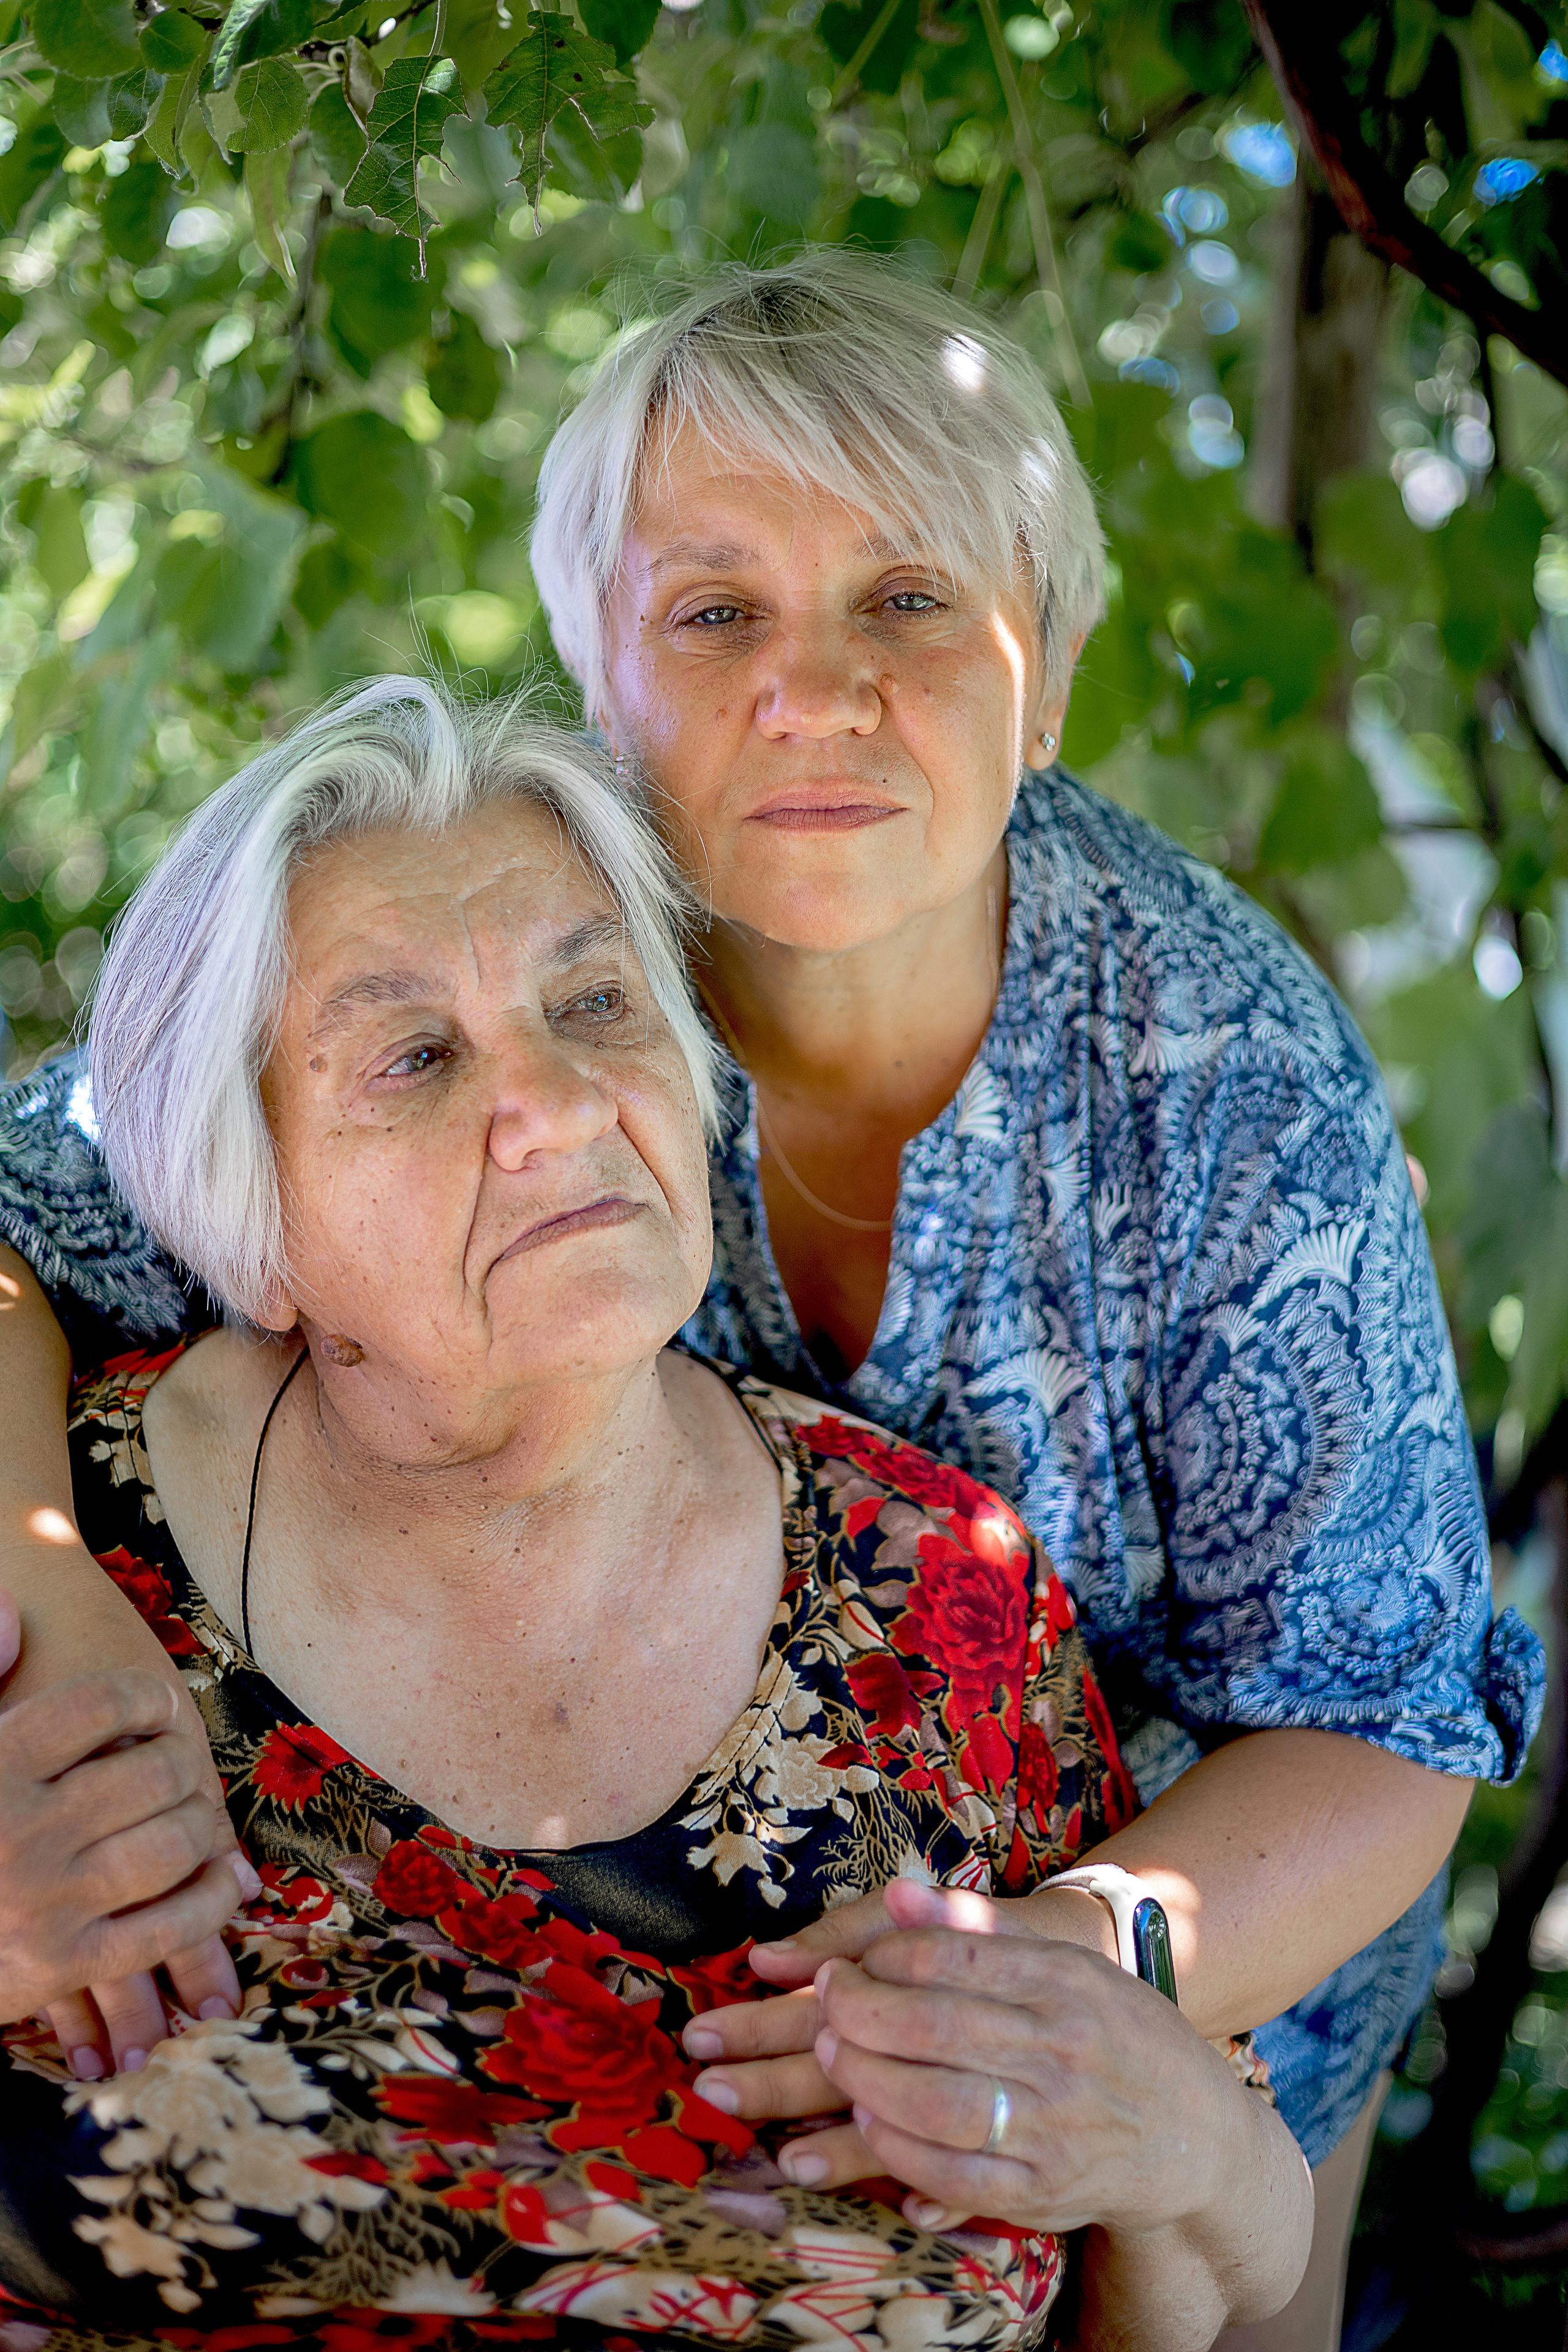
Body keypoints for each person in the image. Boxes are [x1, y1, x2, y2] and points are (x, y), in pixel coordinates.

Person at [0, 254, 1543, 2345]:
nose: (814, 692)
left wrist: (1072, 1974)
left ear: (1053, 661)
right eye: (716, 610)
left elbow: (1379, 1714)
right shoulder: (505, 953)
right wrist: (42, 1612)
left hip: (1187, 1959)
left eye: (910, 599)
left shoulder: (1225, 1076)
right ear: (596, 670)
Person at [0, 680, 1312, 2351]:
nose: (554, 1101)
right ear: (250, 1221)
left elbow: (1209, 2270)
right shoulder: (63, 1572)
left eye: (597, 1001)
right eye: (413, 1056)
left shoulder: (946, 1594)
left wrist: (1176, 2144)